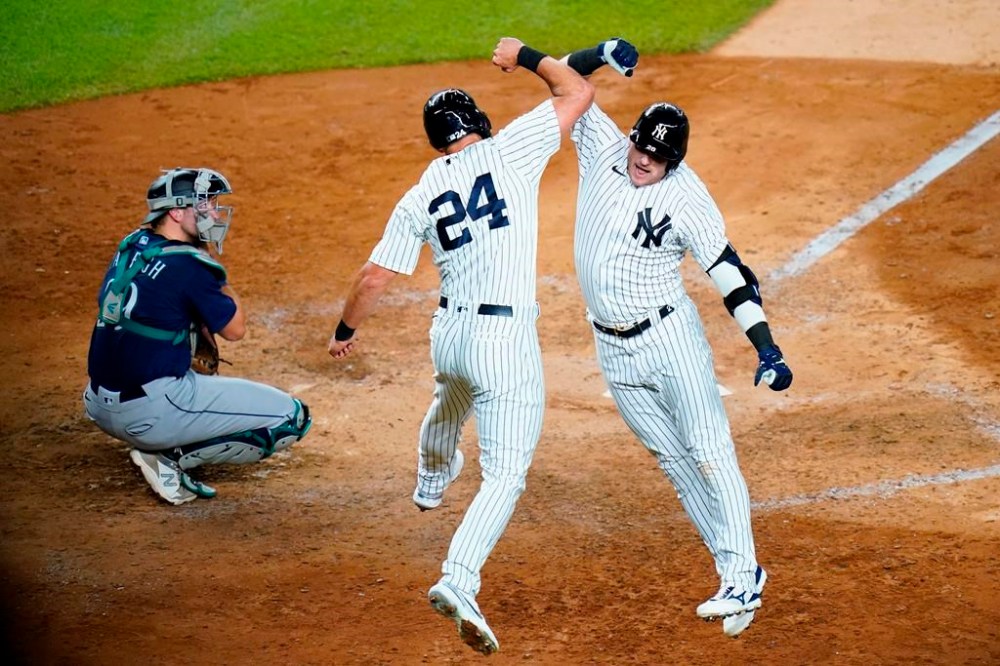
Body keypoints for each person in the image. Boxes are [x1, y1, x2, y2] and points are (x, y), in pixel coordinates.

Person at [327, 38, 594, 655]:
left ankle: (429, 476)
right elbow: (574, 90)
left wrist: (345, 332)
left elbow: (373, 279)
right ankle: (460, 579)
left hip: (449, 334)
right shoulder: (512, 150)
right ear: (477, 125)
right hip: (504, 340)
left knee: (450, 396)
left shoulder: (419, 193)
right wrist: (526, 56)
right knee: (505, 475)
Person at [561, 39, 793, 638]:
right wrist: (601, 52)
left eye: (657, 157)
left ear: (676, 162)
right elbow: (563, 79)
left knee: (711, 450)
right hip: (612, 347)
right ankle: (739, 574)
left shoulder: (688, 198)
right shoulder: (604, 148)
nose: (642, 161)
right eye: (641, 146)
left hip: (670, 340)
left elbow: (730, 274)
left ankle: (742, 574)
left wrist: (766, 346)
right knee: (672, 458)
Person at [83, 167, 312, 506]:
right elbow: (235, 329)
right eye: (206, 205)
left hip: (97, 403)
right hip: (148, 411)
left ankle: (157, 434)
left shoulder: (132, 243)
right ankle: (166, 457)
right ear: (177, 211)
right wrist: (214, 268)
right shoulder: (191, 264)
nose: (215, 214)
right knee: (292, 418)